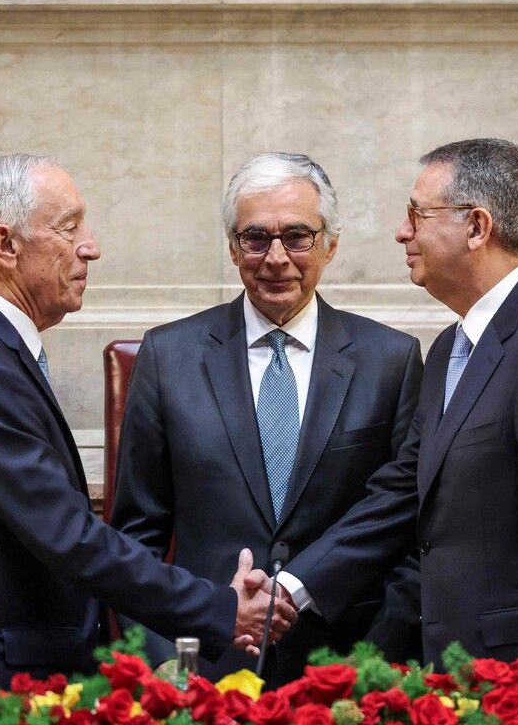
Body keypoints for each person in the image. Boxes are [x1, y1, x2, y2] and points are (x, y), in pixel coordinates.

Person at [0, 153, 294, 686]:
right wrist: (215, 608)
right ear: (5, 245)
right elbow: (70, 537)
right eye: (69, 227)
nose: (90, 246)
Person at [276, 139, 518, 673]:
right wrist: (291, 588)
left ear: (477, 227)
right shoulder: (451, 347)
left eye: (417, 213)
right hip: (463, 668)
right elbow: (403, 491)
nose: (402, 231)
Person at [110, 152, 424, 684]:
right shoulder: (169, 357)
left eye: (298, 236)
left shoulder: (390, 360)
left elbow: (410, 534)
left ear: (331, 243)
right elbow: (134, 535)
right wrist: (165, 660)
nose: (276, 257)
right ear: (233, 249)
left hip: (346, 673)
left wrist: (369, 665)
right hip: (203, 672)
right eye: (256, 238)